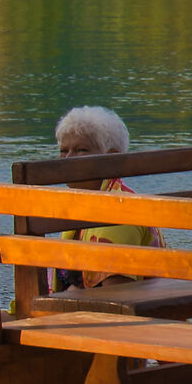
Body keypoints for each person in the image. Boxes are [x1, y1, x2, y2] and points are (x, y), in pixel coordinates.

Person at [48, 104, 161, 289]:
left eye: (81, 150)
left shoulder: (118, 210)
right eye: (63, 150)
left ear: (112, 158)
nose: (68, 159)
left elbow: (117, 295)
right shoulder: (84, 204)